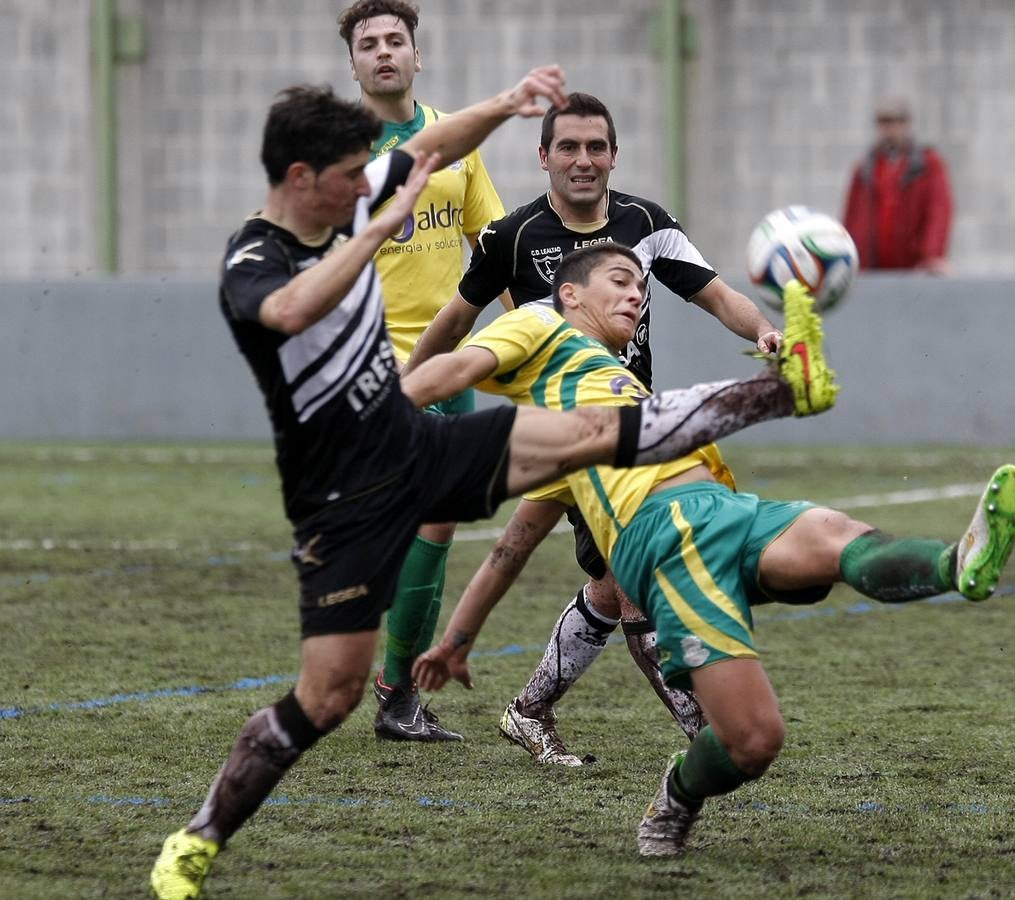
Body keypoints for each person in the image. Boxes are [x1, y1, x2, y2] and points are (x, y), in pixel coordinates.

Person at [148, 78, 838, 900]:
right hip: (343, 486)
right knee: (328, 694)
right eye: (348, 176)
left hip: (417, 440)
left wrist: (507, 104)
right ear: (303, 178)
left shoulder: (353, 192)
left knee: (590, 435)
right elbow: (294, 311)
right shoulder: (254, 258)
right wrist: (374, 233)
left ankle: (782, 391)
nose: (365, 185)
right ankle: (201, 837)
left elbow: (430, 150)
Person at [408, 245, 1015, 857]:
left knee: (836, 535)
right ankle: (676, 796)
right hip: (664, 540)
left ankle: (958, 563)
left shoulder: (611, 387)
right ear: (570, 294)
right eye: (620, 281)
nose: (636, 294)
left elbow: (510, 549)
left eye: (641, 288)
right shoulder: (539, 324)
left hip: (723, 508)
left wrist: (455, 642)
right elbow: (460, 376)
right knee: (754, 741)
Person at [405, 92, 784, 765]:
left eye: (596, 148)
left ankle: (529, 709)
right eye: (570, 148)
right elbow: (457, 321)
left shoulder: (647, 221)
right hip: (566, 437)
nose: (584, 161)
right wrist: (406, 385)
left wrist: (764, 330)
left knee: (599, 581)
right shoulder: (511, 236)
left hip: (628, 429)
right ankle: (714, 739)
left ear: (613, 155)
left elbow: (717, 294)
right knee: (637, 585)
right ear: (544, 156)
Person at [337, 0, 511, 744]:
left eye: (395, 40)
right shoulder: (339, 154)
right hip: (371, 365)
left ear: (417, 56)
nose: (383, 52)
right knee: (409, 523)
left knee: (437, 523)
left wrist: (546, 332)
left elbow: (493, 245)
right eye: (369, 43)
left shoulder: (457, 145)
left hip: (447, 365)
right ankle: (388, 689)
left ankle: (397, 692)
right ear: (353, 64)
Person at [841, 96, 954, 275]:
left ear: (906, 124)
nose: (890, 129)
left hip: (914, 267)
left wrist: (932, 255)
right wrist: (846, 257)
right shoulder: (865, 168)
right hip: (871, 269)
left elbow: (938, 211)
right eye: (884, 122)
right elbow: (851, 216)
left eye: (896, 122)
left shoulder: (928, 164)